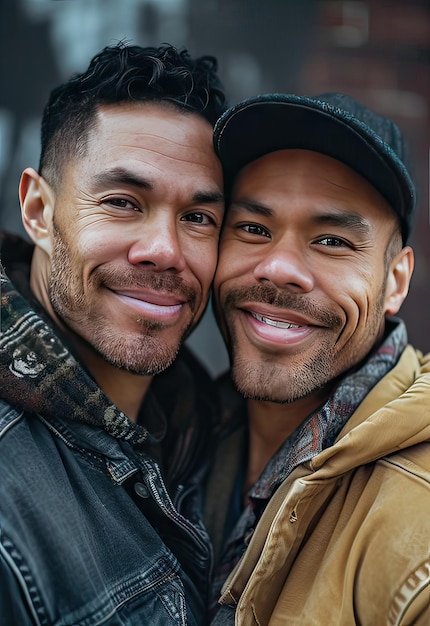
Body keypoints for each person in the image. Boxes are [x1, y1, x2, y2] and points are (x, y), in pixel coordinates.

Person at [0, 42, 226, 625]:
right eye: (123, 202)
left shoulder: (212, 431)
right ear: (37, 211)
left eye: (198, 217)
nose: (165, 251)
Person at [205, 93, 430, 625]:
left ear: (394, 280)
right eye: (254, 229)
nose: (280, 267)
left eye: (331, 240)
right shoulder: (184, 430)